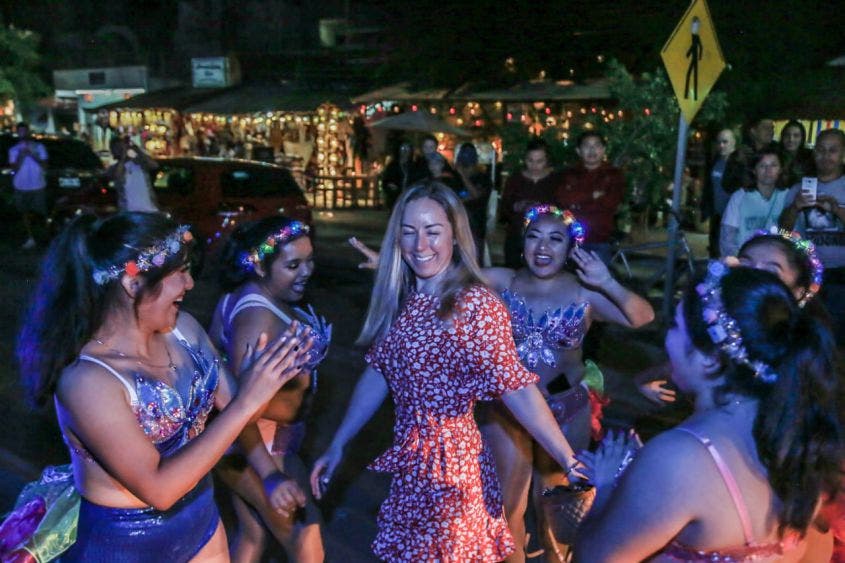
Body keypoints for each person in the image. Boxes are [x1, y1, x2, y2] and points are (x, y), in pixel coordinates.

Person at [16, 212, 312, 562]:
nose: (189, 284)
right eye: (179, 273)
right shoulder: (87, 380)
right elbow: (160, 489)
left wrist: (266, 382)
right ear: (133, 284)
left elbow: (239, 413)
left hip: (201, 518)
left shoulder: (184, 330)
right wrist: (246, 402)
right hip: (127, 545)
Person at [309, 181, 581, 562]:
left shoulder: (475, 304)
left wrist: (568, 459)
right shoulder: (405, 299)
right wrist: (339, 442)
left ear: (455, 235)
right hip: (412, 471)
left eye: (433, 232)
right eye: (409, 231)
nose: (420, 245)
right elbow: (380, 372)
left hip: (453, 476)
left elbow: (516, 387)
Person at [576, 263, 842, 561]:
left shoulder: (680, 458)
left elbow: (593, 557)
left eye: (676, 326)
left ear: (709, 360)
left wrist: (608, 485)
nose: (668, 340)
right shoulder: (799, 438)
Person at [481, 204, 654, 562]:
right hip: (510, 409)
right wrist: (394, 265)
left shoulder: (585, 292)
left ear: (571, 247)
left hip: (566, 409)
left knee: (559, 511)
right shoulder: (502, 281)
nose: (543, 248)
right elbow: (445, 280)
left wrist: (606, 281)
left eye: (555, 239)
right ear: (522, 241)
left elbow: (642, 317)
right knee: (505, 507)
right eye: (534, 237)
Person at [209, 217, 330, 563]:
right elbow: (238, 409)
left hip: (262, 444)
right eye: (293, 265)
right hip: (260, 447)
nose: (306, 271)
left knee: (253, 535)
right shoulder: (257, 319)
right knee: (307, 542)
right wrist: (271, 474)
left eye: (309, 260)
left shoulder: (240, 297)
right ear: (260, 265)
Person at [635, 227, 827, 406]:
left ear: (799, 292)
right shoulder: (721, 321)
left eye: (771, 271)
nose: (752, 274)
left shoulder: (798, 349)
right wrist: (643, 381)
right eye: (745, 263)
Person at [779, 128, 845, 343]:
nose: (826, 156)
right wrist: (795, 207)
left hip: (841, 276)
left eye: (832, 150)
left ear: (843, 153)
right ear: (814, 153)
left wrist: (837, 210)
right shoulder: (800, 188)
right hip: (808, 272)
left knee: (837, 340)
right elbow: (782, 232)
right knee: (807, 337)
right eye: (821, 150)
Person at [556, 131, 626, 263]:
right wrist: (592, 195)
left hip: (600, 239)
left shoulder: (614, 175)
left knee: (597, 281)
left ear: (604, 149)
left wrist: (578, 200)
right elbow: (563, 199)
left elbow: (610, 203)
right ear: (578, 151)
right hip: (570, 238)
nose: (592, 150)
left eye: (596, 146)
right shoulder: (569, 174)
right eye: (587, 146)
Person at [501, 138, 561, 267]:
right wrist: (516, 206)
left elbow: (562, 209)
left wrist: (543, 208)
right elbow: (504, 208)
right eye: (530, 161)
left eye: (540, 161)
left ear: (547, 160)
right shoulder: (515, 179)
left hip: (545, 238)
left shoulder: (556, 181)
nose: (534, 166)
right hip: (517, 236)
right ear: (525, 159)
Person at [719, 148, 789, 257]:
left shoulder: (788, 196)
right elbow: (727, 238)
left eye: (773, 165)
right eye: (762, 166)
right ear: (754, 170)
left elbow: (795, 236)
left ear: (780, 169)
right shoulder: (740, 197)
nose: (768, 170)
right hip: (745, 261)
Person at [701, 128, 745, 258]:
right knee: (714, 250)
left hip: (732, 218)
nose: (721, 146)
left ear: (733, 142)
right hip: (717, 215)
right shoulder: (715, 161)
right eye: (719, 142)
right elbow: (709, 187)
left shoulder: (739, 164)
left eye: (725, 142)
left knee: (727, 252)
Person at [8, 122, 48, 249]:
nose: (23, 134)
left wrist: (32, 154)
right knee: (24, 214)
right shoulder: (13, 150)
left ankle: (43, 238)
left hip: (38, 186)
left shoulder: (39, 147)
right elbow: (13, 168)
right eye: (20, 131)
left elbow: (45, 166)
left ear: (28, 132)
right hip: (21, 186)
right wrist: (21, 156)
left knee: (40, 213)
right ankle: (30, 238)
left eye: (25, 131)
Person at [454, 143, 493, 262]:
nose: (467, 168)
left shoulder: (484, 178)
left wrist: (463, 176)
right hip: (456, 229)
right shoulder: (454, 178)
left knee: (475, 264)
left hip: (475, 228)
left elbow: (476, 195)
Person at [108, 136, 160, 212]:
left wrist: (137, 150)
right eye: (117, 148)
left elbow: (154, 166)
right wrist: (123, 157)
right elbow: (117, 176)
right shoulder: (113, 168)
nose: (120, 150)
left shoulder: (140, 164)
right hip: (128, 213)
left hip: (150, 210)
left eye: (121, 147)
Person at [779, 120, 814, 187]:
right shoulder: (775, 156)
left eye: (796, 136)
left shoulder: (810, 157)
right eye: (787, 135)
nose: (791, 139)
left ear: (802, 138)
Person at [381, 140, 415, 210]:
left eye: (407, 149)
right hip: (395, 199)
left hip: (409, 199)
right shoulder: (392, 166)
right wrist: (390, 186)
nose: (405, 151)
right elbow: (385, 182)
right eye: (403, 148)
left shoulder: (414, 166)